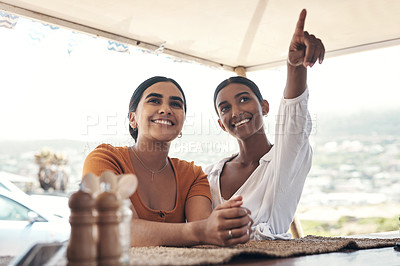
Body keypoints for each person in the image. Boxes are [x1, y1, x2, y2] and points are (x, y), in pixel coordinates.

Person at [82, 76, 252, 247]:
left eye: (176, 104)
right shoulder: (104, 159)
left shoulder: (193, 175)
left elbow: (208, 238)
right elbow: (115, 230)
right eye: (154, 101)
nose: (166, 109)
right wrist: (198, 231)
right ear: (133, 119)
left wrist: (228, 225)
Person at [204, 9, 325, 240]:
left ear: (265, 107)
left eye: (243, 99)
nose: (236, 111)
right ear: (221, 124)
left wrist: (294, 66)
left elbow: (293, 115)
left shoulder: (284, 160)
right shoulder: (209, 175)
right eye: (225, 108)